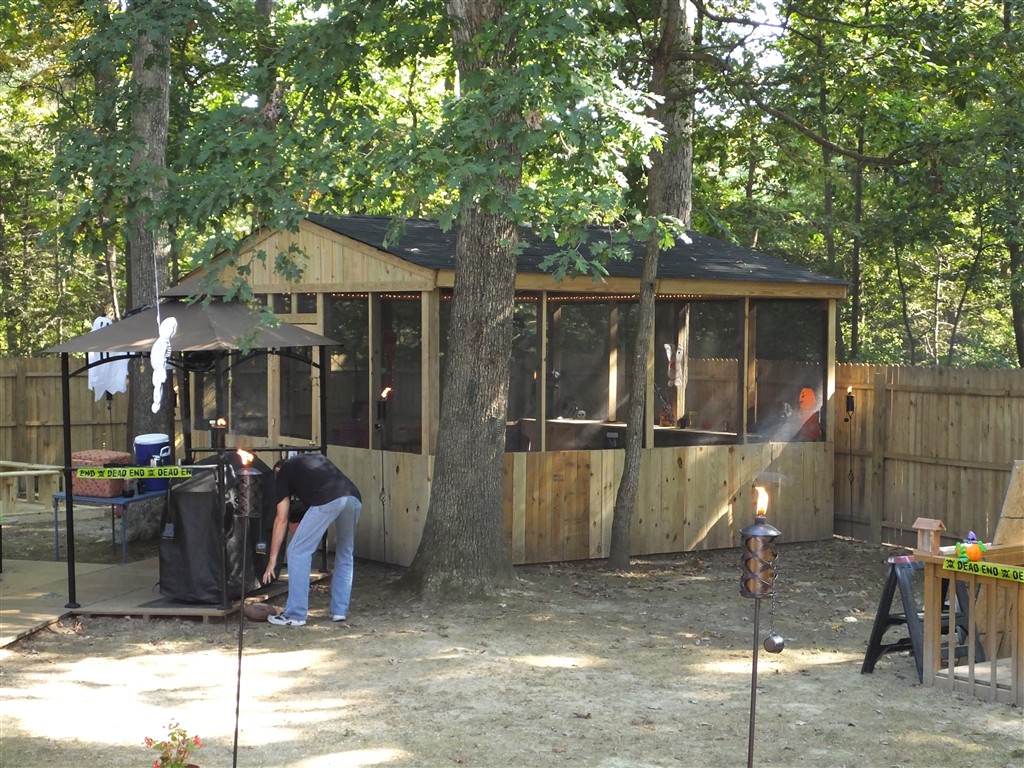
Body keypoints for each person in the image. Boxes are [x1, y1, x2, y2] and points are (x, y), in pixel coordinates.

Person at [263, 452, 362, 627]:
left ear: (277, 470)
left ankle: (295, 614)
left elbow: (281, 518)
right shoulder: (311, 460)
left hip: (328, 498)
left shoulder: (283, 471)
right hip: (352, 496)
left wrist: (272, 561)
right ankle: (339, 611)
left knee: (297, 552)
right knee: (345, 553)